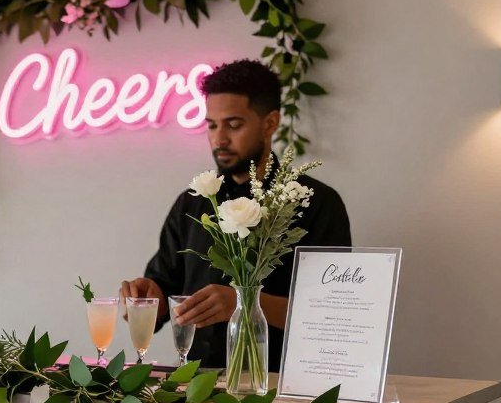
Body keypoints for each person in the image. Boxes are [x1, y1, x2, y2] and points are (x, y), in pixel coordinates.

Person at [120, 59, 351, 371]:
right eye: (212, 125)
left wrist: (245, 303)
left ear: (270, 123)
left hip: (287, 389)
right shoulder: (191, 204)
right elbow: (165, 288)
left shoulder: (317, 203)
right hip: (198, 388)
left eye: (233, 124)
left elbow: (334, 314)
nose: (219, 139)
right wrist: (146, 298)